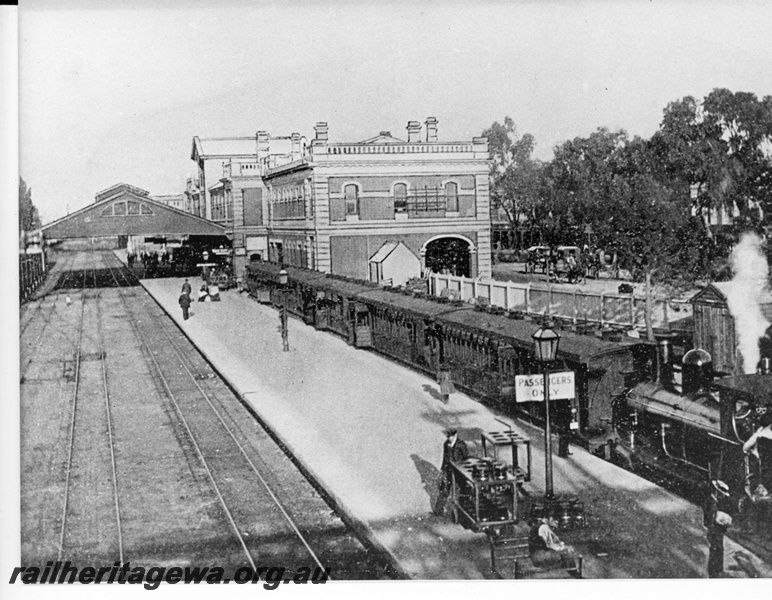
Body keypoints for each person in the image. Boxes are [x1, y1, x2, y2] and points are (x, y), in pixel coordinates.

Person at [433, 429, 469, 516]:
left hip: (458, 471)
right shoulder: (446, 444)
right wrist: (442, 469)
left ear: (456, 435)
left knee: (464, 489)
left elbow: (465, 458)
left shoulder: (461, 445)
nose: (450, 439)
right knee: (444, 489)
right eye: (448, 437)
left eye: (451, 437)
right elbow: (444, 457)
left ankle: (464, 508)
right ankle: (438, 510)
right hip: (448, 470)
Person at [703, 479, 733, 578]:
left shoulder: (715, 501)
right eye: (721, 493)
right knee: (716, 550)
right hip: (714, 530)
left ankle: (718, 570)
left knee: (719, 549)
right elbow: (709, 518)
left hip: (718, 530)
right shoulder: (710, 502)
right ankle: (714, 572)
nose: (722, 495)